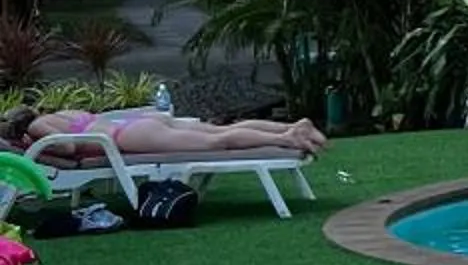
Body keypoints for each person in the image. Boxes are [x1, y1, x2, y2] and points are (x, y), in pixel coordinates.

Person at [3, 103, 329, 162]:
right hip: (136, 123)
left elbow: (70, 150)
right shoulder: (61, 113)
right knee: (222, 130)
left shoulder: (37, 126)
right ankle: (291, 126)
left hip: (128, 138)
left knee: (218, 141)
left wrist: (36, 142)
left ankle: (285, 139)